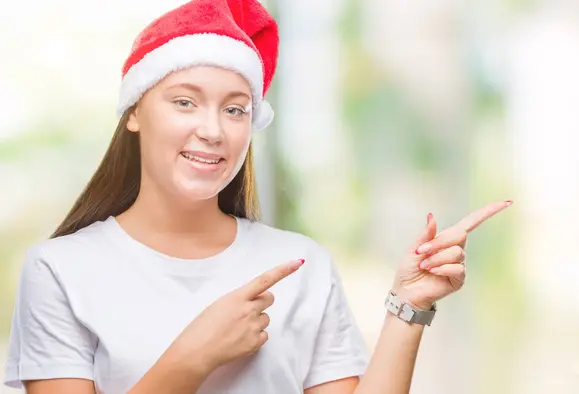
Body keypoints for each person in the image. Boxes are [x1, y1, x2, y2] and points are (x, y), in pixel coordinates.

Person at [3, 0, 512, 393]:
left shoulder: (299, 263)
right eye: (185, 102)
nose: (212, 130)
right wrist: (191, 358)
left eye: (235, 109)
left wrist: (408, 305)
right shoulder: (59, 271)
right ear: (134, 113)